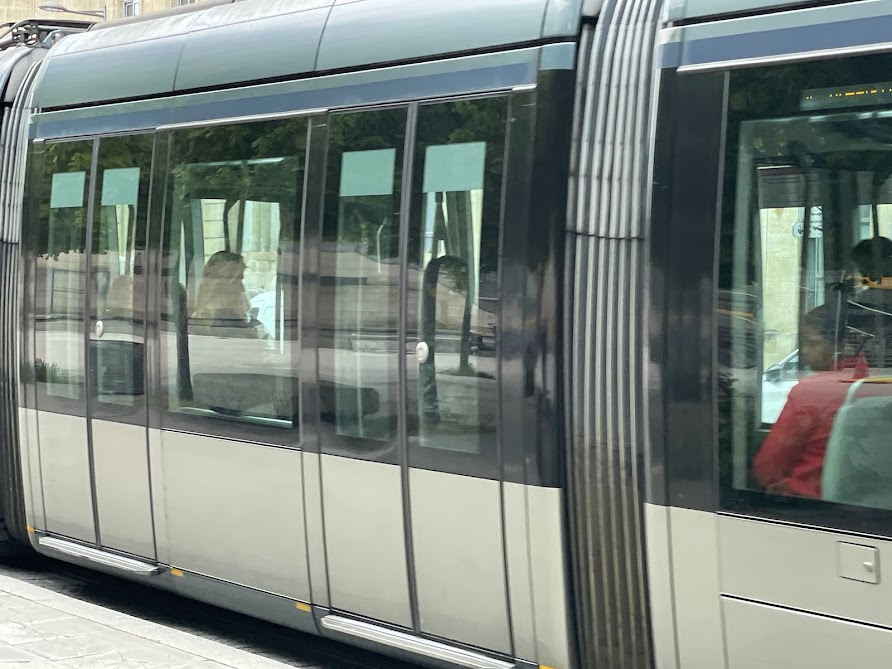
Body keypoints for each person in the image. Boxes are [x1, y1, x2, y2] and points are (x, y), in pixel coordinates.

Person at [751, 311, 866, 498]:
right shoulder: (869, 381)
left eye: (813, 343)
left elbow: (769, 466)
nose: (804, 351)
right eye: (803, 343)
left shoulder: (811, 391)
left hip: (806, 502)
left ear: (840, 346)